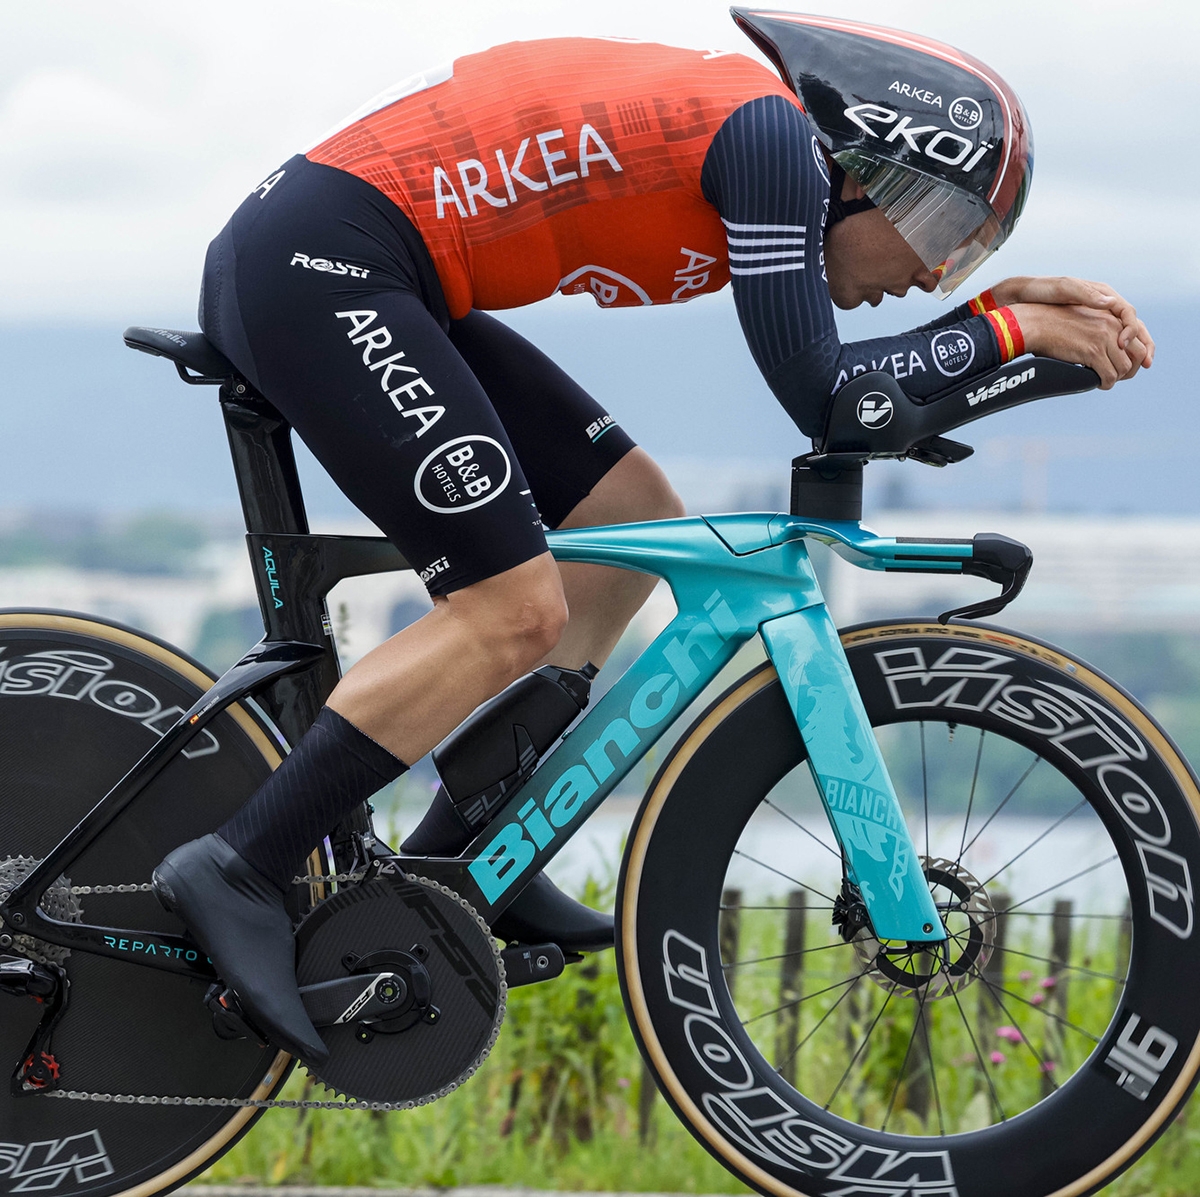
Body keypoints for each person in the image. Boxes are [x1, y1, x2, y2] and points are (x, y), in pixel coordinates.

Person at [152, 9, 1154, 1067]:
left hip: (362, 262)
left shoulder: (777, 151)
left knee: (629, 525)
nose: (936, 274)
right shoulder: (771, 146)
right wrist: (1004, 331)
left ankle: (459, 853)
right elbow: (832, 397)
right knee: (512, 609)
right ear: (873, 176)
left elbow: (864, 395)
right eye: (948, 233)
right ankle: (240, 863)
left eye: (970, 256)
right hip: (321, 264)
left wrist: (993, 323)